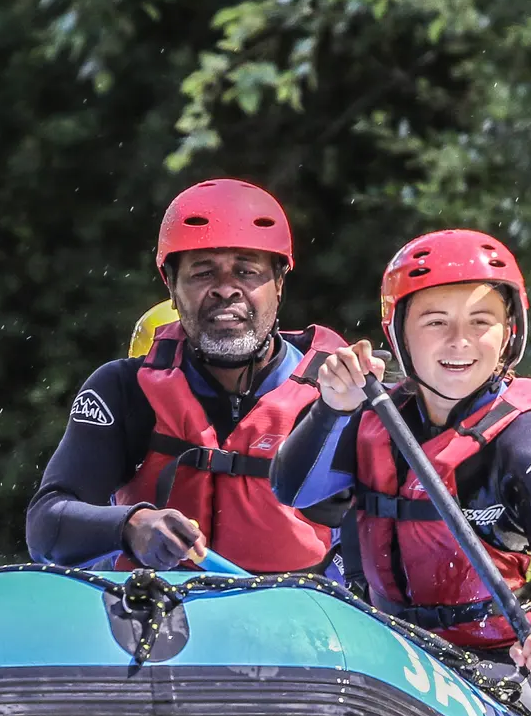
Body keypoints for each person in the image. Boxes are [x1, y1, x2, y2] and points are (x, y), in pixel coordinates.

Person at [269, 229, 531, 716]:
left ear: (510, 331)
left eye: (481, 321)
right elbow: (293, 490)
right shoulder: (371, 415)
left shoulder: (522, 436)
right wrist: (329, 410)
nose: (460, 341)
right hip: (386, 650)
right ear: (398, 333)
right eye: (435, 322)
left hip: (498, 665)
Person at [26, 179, 348, 572]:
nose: (225, 290)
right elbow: (46, 526)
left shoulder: (340, 395)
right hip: (160, 616)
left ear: (279, 284)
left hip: (297, 619)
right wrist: (133, 524)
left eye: (247, 271)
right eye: (202, 273)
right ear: (172, 288)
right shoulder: (124, 390)